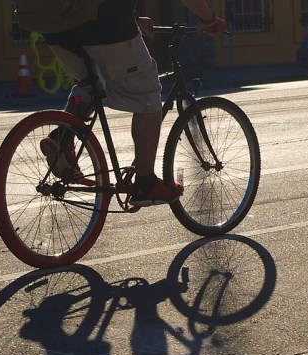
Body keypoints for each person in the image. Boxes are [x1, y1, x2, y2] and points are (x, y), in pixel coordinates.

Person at [41, 0, 226, 207]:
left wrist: (133, 18)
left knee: (94, 84)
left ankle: (61, 139)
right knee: (148, 91)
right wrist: (209, 18)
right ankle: (145, 183)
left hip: (53, 27)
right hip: (101, 23)